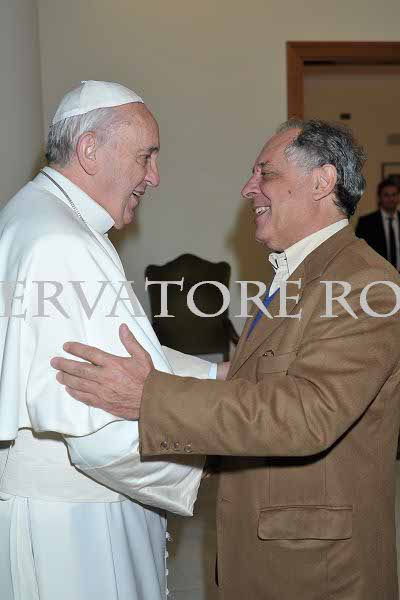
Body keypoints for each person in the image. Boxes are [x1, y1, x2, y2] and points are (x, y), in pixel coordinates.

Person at [53, 120, 400, 600]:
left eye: (265, 173)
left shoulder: (365, 284)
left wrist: (151, 396)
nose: (248, 188)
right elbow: (257, 389)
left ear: (322, 182)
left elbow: (307, 414)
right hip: (266, 554)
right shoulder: (297, 275)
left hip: (317, 572)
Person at [0, 80, 226, 600]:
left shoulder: (38, 216)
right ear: (89, 150)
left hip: (65, 511)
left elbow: (122, 354)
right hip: (76, 528)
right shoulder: (62, 242)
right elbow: (100, 438)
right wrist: (217, 452)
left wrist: (215, 375)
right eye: (146, 156)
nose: (155, 176)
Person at [355, 178, 400, 269]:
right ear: (379, 197)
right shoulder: (366, 223)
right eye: (386, 195)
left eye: (394, 195)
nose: (391, 199)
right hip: (377, 273)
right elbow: (360, 252)